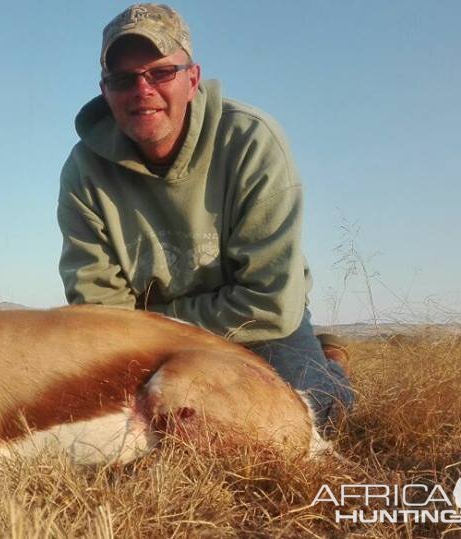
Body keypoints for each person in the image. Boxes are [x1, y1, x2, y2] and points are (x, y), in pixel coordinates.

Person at [57, 3, 354, 431]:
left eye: (160, 72)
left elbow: (269, 302)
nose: (142, 90)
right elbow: (97, 312)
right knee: (104, 420)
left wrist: (155, 320)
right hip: (147, 340)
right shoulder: (83, 170)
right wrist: (154, 336)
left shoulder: (253, 140)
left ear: (192, 79)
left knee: (306, 418)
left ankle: (329, 365)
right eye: (123, 79)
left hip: (255, 328)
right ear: (105, 91)